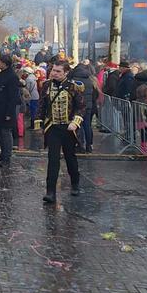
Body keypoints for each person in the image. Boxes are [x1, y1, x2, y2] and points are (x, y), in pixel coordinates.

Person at [35, 60, 85, 204]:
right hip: (53, 128)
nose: (54, 74)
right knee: (53, 159)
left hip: (69, 128)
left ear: (66, 73)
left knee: (70, 158)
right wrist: (39, 123)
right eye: (53, 71)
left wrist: (75, 122)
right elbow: (41, 105)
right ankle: (50, 192)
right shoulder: (46, 86)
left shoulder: (74, 87)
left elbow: (81, 106)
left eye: (58, 71)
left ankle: (75, 183)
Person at [71, 60, 98, 152]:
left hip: (78, 106)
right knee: (87, 125)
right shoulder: (90, 79)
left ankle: (80, 144)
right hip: (89, 105)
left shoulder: (73, 80)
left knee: (78, 125)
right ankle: (89, 145)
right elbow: (95, 94)